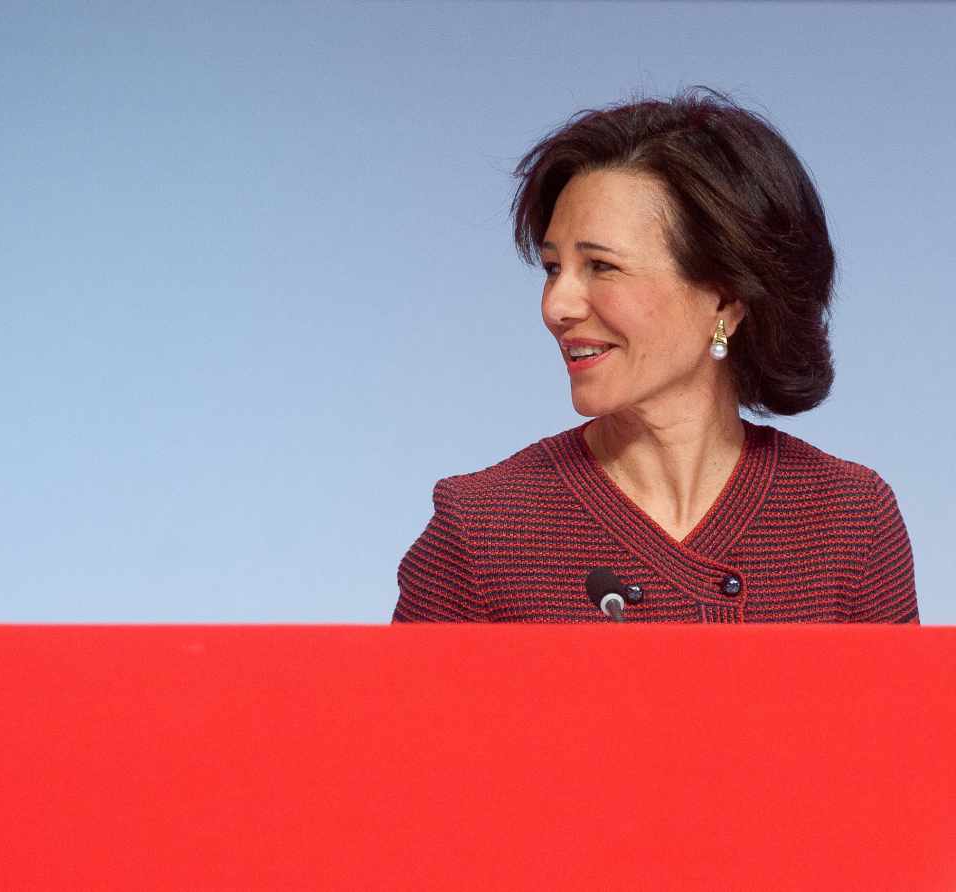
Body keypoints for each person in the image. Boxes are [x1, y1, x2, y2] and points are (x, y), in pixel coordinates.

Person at [393, 89, 917, 623]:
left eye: (601, 266)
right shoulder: (482, 530)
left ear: (725, 297)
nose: (556, 306)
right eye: (553, 268)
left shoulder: (850, 520)